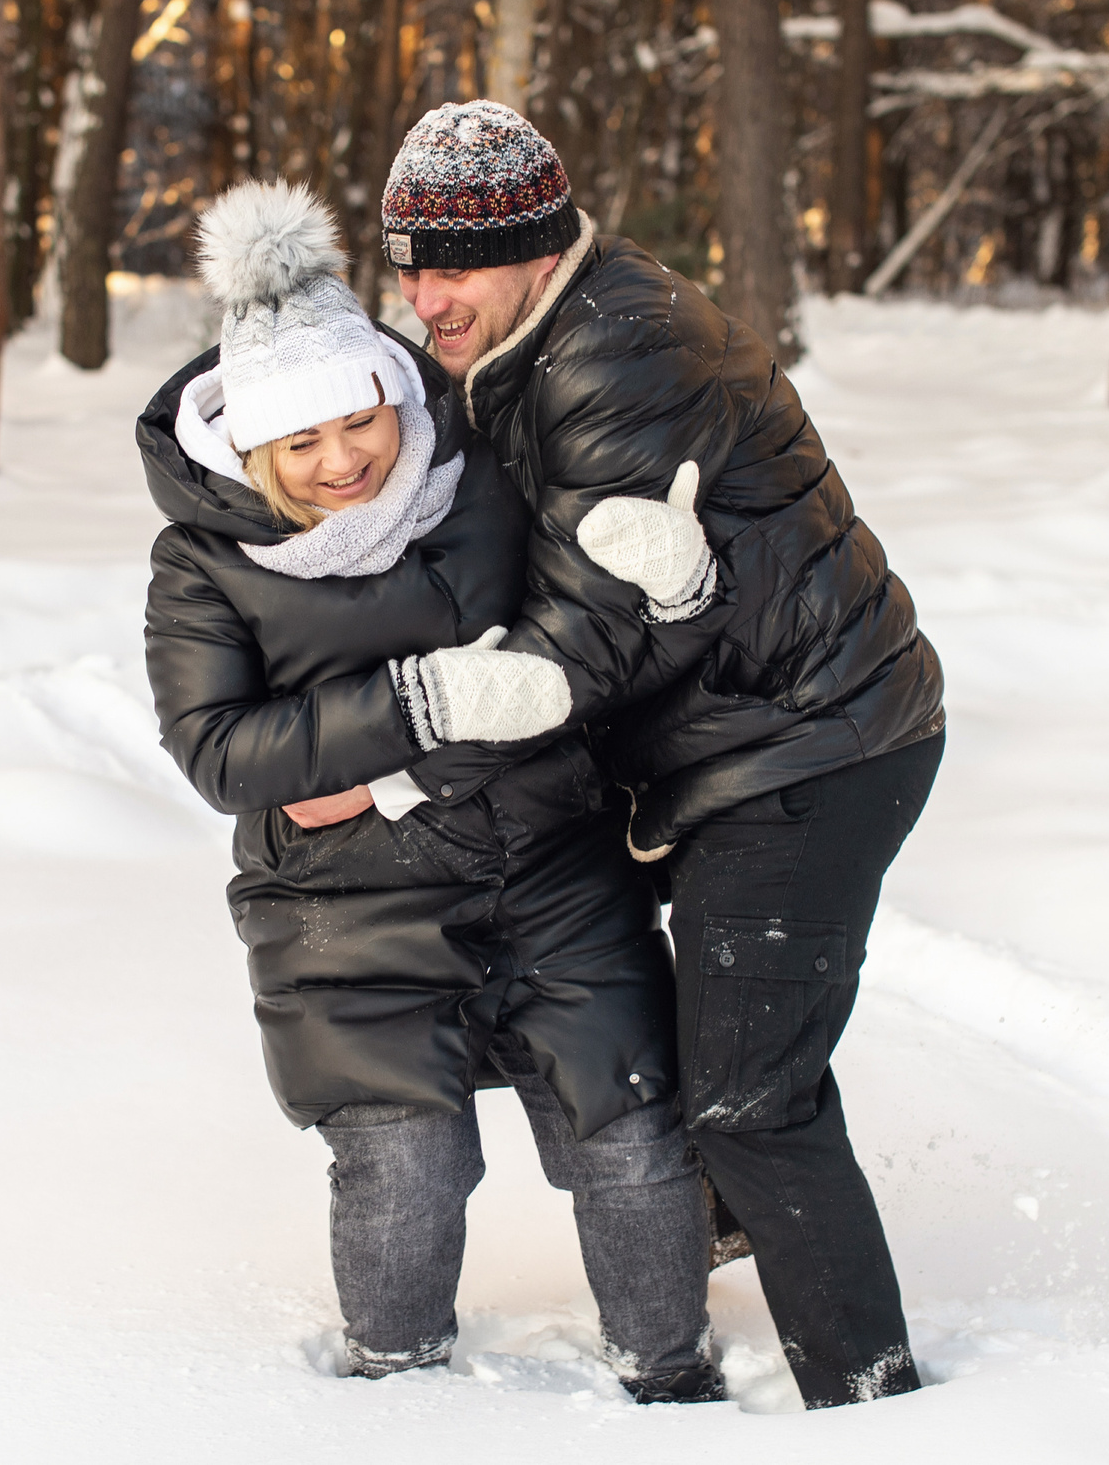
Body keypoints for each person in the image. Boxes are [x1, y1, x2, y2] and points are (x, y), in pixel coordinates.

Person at [317, 101, 948, 1408]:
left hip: (811, 745)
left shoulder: (617, 357)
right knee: (642, 1006)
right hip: (727, 741)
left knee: (749, 1094)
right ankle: (719, 1230)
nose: (427, 297)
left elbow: (577, 650)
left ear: (538, 249)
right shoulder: (531, 337)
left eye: (455, 266)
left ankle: (871, 1388)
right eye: (409, 264)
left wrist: (391, 759)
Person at [138, 179, 722, 1402]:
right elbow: (224, 754)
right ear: (254, 448)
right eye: (302, 442)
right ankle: (398, 1390)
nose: (344, 459)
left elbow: (566, 668)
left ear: (394, 395)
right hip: (344, 912)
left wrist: (668, 600)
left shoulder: (479, 482)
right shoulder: (203, 562)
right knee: (405, 1154)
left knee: (627, 1130)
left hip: (550, 863)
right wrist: (417, 705)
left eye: (361, 422)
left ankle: (672, 1378)